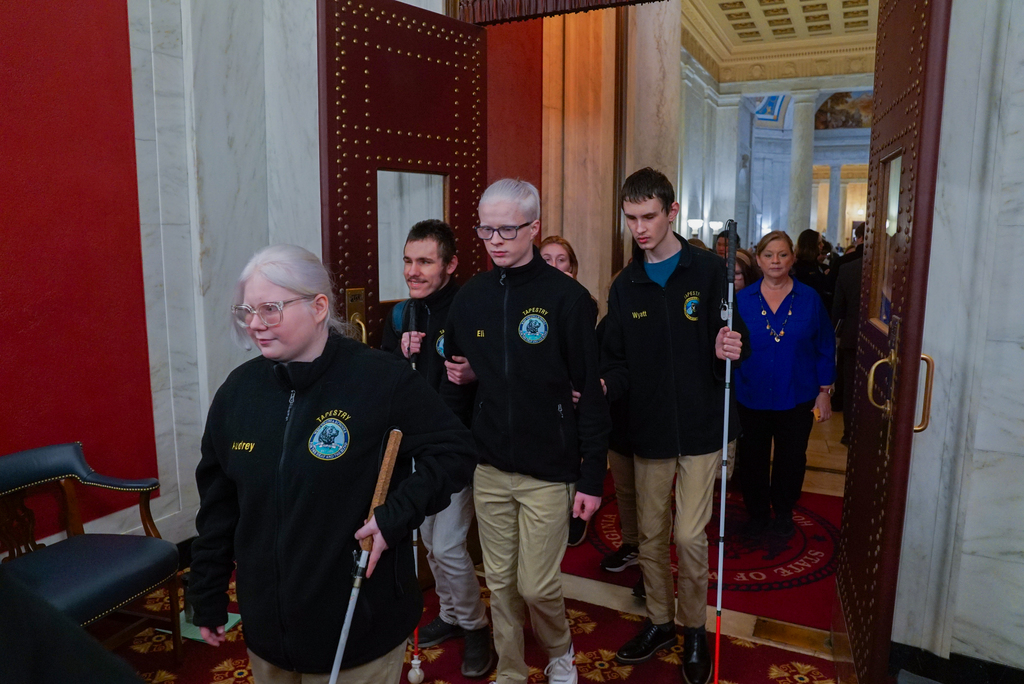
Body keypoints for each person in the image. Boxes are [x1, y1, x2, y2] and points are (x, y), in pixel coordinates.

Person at [188, 245, 477, 684]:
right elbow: (220, 504)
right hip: (269, 630)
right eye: (247, 309)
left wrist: (394, 515)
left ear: (319, 306)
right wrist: (206, 591)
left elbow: (453, 451)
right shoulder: (238, 393)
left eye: (270, 309)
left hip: (359, 628)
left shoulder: (382, 380)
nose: (253, 324)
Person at [442, 179, 610, 684]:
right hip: (490, 465)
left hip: (550, 468)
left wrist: (591, 479)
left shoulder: (568, 300)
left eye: (506, 229)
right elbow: (457, 379)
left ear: (533, 228)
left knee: (536, 585)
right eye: (485, 229)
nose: (494, 239)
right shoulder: (470, 298)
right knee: (500, 582)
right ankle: (511, 670)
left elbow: (592, 396)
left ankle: (560, 651)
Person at [601, 168, 744, 684]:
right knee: (652, 537)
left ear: (672, 212)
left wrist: (730, 347)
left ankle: (694, 630)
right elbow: (613, 358)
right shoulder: (626, 284)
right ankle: (660, 622)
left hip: (703, 426)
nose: (639, 228)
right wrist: (599, 386)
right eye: (631, 218)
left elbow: (734, 336)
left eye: (648, 216)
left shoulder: (708, 271)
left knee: (688, 536)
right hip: (650, 429)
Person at [379, 220, 494, 678]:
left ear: (450, 264)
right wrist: (396, 353)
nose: (413, 271)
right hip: (412, 451)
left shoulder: (471, 307)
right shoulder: (402, 315)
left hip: (457, 448)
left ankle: (476, 626)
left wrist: (476, 372)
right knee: (427, 542)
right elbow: (382, 382)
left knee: (446, 545)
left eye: (425, 262)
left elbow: (501, 369)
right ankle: (450, 613)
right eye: (408, 261)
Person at [733, 231, 836, 540]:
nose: (775, 261)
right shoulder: (741, 300)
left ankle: (784, 512)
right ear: (758, 259)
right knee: (753, 459)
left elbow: (825, 346)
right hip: (751, 393)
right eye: (768, 255)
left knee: (792, 459)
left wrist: (824, 393)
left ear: (792, 258)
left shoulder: (810, 298)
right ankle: (758, 514)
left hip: (797, 396)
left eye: (782, 255)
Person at [832, 252, 863, 445]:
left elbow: (838, 310)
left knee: (851, 387)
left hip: (851, 336)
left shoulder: (848, 269)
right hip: (886, 337)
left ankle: (850, 432)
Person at [793, 229, 827, 304]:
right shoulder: (800, 267)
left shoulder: (815, 263)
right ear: (811, 245)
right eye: (819, 243)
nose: (822, 245)